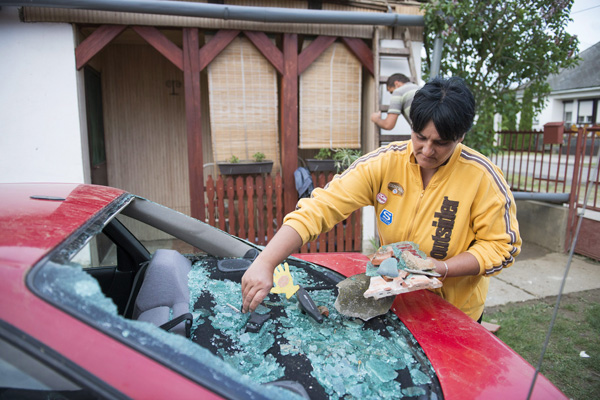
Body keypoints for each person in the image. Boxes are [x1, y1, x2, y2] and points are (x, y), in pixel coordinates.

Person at [241, 77, 521, 322]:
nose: (426, 150)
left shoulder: (482, 177)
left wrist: (441, 268)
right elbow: (320, 207)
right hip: (398, 305)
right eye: (420, 137)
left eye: (441, 143)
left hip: (456, 312)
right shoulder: (385, 163)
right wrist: (266, 262)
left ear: (460, 137)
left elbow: (502, 247)